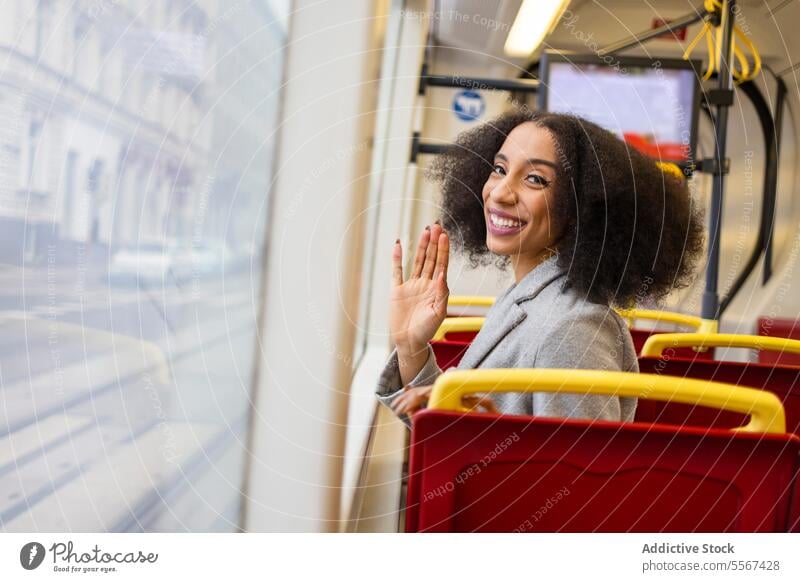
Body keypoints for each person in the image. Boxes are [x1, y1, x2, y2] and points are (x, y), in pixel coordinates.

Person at [376, 109, 705, 427]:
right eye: (500, 169)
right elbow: (445, 443)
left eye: (535, 179)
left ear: (581, 208)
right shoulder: (528, 296)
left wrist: (489, 436)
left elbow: (581, 478)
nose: (501, 193)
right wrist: (411, 348)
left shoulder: (574, 329)